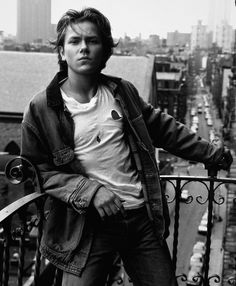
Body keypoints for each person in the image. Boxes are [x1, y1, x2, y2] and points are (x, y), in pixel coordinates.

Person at [20, 7, 233, 286]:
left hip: (139, 220)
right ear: (61, 52)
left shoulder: (123, 93)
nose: (84, 48)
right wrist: (90, 191)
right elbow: (36, 171)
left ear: (106, 51)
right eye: (74, 41)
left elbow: (165, 130)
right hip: (87, 228)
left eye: (93, 41)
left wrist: (213, 154)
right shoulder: (41, 109)